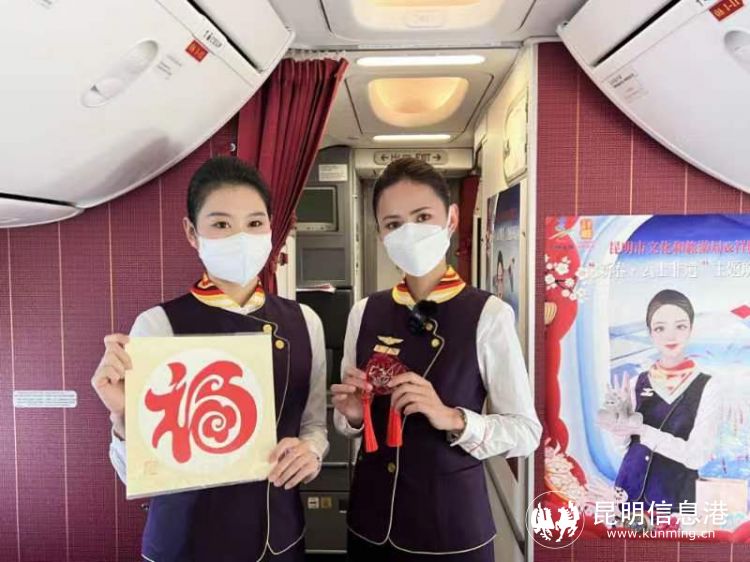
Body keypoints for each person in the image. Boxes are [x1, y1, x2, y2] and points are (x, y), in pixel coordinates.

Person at [90, 156, 328, 562]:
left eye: (255, 223)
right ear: (192, 232)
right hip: (185, 539)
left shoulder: (305, 322)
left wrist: (311, 452)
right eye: (221, 224)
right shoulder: (158, 324)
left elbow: (314, 425)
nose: (241, 237)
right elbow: (136, 474)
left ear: (272, 228)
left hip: (275, 534)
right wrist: (123, 417)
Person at [331, 157, 541, 561]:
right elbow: (350, 423)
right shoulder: (365, 312)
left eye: (422, 217)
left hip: (450, 527)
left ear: (452, 219)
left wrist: (454, 418)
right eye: (393, 224)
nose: (408, 232)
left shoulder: (488, 314)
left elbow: (525, 431)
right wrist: (354, 416)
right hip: (372, 521)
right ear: (380, 233)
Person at [598, 289, 721, 511]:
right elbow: (624, 448)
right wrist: (620, 426)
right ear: (650, 333)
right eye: (660, 328)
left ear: (691, 329)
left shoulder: (707, 386)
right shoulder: (636, 382)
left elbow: (697, 456)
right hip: (626, 496)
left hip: (675, 504)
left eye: (680, 326)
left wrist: (643, 430)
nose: (670, 336)